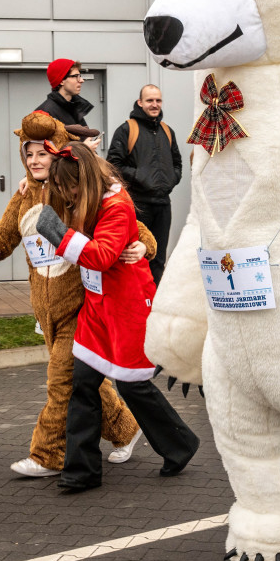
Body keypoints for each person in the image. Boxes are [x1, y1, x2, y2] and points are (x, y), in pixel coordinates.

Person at [0, 113, 156, 477]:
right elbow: (4, 235)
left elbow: (131, 224)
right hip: (45, 308)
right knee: (83, 381)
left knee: (61, 381)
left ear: (57, 155)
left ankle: (47, 455)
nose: (35, 160)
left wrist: (141, 245)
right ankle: (126, 429)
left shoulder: (73, 190)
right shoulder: (22, 197)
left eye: (42, 153)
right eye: (29, 155)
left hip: (81, 305)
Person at [36, 141, 199, 492]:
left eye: (69, 188)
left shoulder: (116, 205)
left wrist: (59, 236)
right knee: (82, 382)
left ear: (85, 179)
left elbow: (102, 256)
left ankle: (180, 445)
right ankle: (81, 471)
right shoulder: (82, 197)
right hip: (97, 305)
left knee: (131, 384)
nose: (66, 195)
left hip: (125, 305)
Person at [106, 84, 182, 284]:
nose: (154, 104)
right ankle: (138, 305)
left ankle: (154, 305)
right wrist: (142, 177)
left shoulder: (167, 131)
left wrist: (169, 181)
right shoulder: (126, 130)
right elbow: (113, 165)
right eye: (149, 100)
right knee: (136, 257)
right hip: (138, 205)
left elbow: (177, 164)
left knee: (158, 258)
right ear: (140, 103)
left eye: (158, 100)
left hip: (163, 204)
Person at [35, 59, 101, 151]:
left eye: (80, 76)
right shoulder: (43, 113)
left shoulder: (73, 107)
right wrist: (84, 149)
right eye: (75, 76)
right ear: (61, 81)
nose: (81, 80)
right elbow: (46, 154)